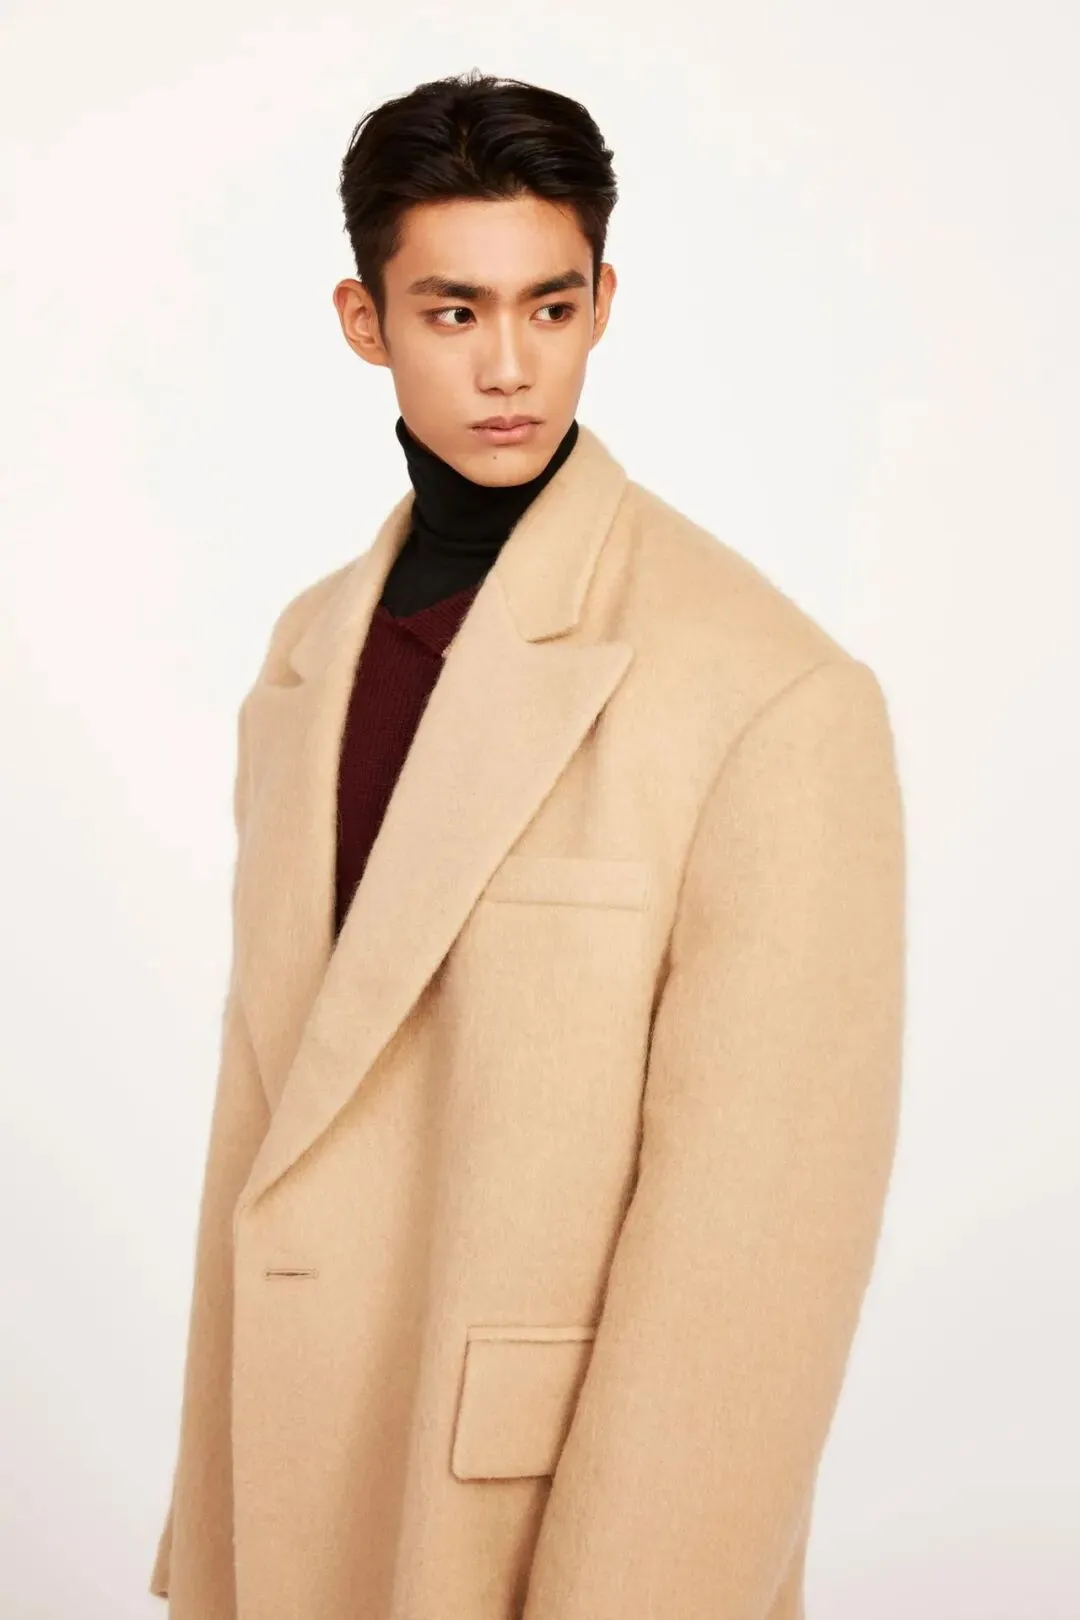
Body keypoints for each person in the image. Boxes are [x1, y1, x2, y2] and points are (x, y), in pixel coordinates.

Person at [149, 68, 906, 1620]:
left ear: (603, 304)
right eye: (454, 312)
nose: (510, 366)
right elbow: (271, 1136)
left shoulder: (770, 692)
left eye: (551, 308)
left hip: (537, 1530)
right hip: (293, 1502)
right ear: (364, 322)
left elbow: (757, 1259)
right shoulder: (305, 657)